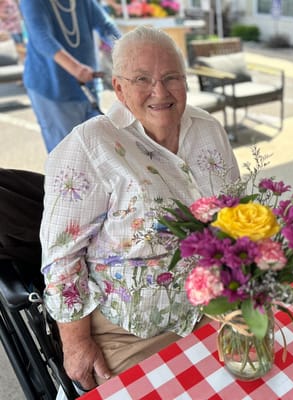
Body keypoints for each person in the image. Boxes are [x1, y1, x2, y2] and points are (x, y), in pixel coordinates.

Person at [39, 25, 240, 394]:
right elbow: (61, 256)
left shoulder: (208, 129)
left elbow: (234, 213)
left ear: (185, 81)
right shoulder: (90, 144)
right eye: (142, 79)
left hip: (214, 307)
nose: (159, 92)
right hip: (131, 333)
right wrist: (76, 343)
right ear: (118, 88)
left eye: (171, 78)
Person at [19, 0, 121, 153]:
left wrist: (127, 52)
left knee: (97, 150)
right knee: (67, 153)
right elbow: (41, 37)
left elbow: (106, 25)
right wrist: (76, 68)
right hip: (52, 87)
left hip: (87, 85)